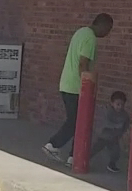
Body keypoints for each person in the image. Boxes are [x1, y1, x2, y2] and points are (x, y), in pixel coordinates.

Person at [43, 13, 113, 160]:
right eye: (108, 29)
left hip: (66, 83)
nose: (107, 33)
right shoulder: (91, 38)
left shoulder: (80, 32)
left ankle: (73, 156)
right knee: (77, 122)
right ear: (103, 25)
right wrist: (86, 86)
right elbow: (83, 63)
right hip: (76, 87)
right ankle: (54, 145)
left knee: (79, 122)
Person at [90, 90, 131, 174]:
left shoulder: (124, 115)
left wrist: (122, 133)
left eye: (122, 105)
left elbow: (126, 124)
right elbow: (105, 123)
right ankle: (84, 159)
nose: (120, 107)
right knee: (94, 149)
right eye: (118, 104)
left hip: (114, 138)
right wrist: (117, 126)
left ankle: (112, 164)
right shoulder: (107, 111)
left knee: (116, 152)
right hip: (103, 136)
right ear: (112, 103)